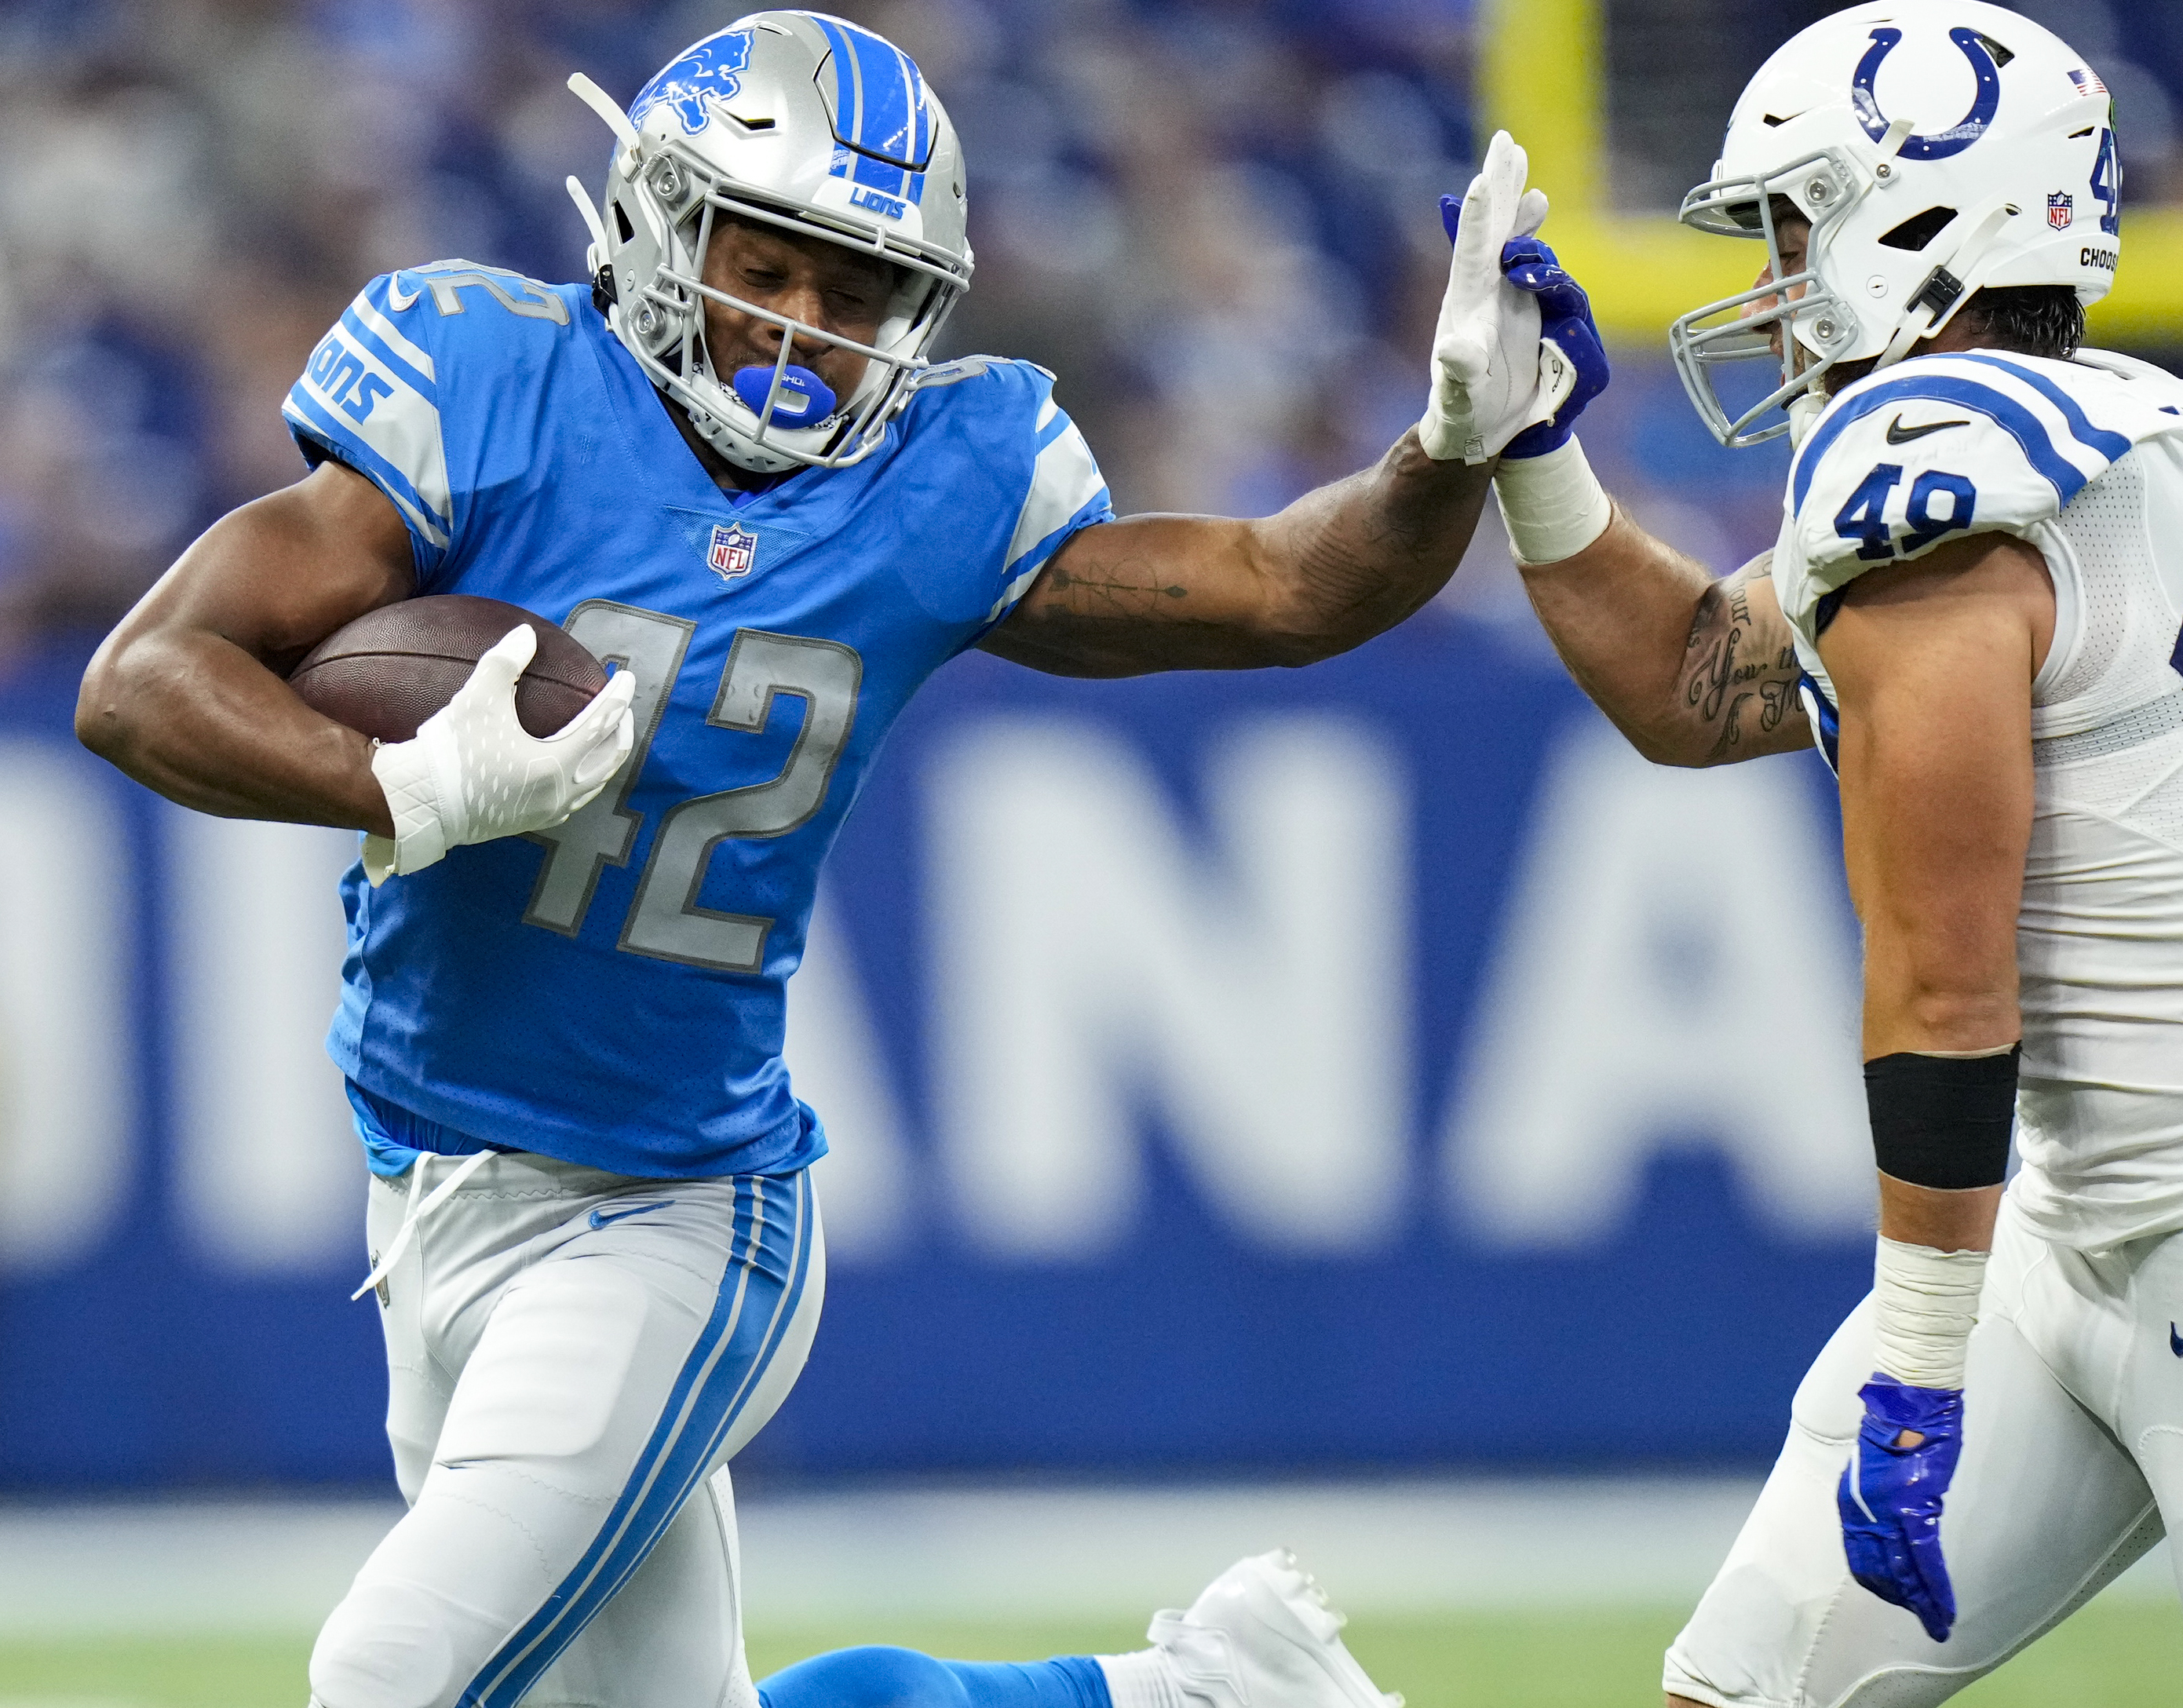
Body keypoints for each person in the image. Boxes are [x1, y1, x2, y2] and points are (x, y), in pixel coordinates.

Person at [72, 13, 1601, 1708]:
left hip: (672, 1209)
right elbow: (142, 680)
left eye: (858, 293)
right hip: (427, 1186)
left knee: (389, 1675)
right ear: (660, 218)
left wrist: (1448, 444)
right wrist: (408, 782)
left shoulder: (940, 476)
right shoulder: (487, 379)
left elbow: (1279, 584)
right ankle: (1204, 1692)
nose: (801, 333)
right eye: (768, 263)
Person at [1478, 4, 2183, 1704]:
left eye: (1800, 223)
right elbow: (1697, 682)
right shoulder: (2075, 425)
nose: (1775, 274)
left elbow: (1948, 977)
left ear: (1930, 213)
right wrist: (1532, 458)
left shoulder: (1954, 480)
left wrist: (1915, 1359)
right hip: (2075, 1228)